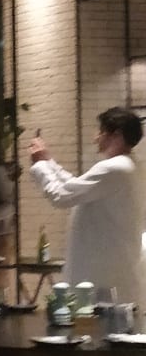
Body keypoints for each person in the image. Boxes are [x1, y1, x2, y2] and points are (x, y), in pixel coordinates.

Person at [29, 107, 146, 303]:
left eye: (101, 132)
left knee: (94, 320)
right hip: (116, 271)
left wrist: (40, 166)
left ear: (116, 135)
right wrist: (49, 162)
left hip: (102, 277)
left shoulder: (114, 168)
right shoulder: (131, 166)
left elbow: (61, 196)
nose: (95, 138)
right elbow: (76, 188)